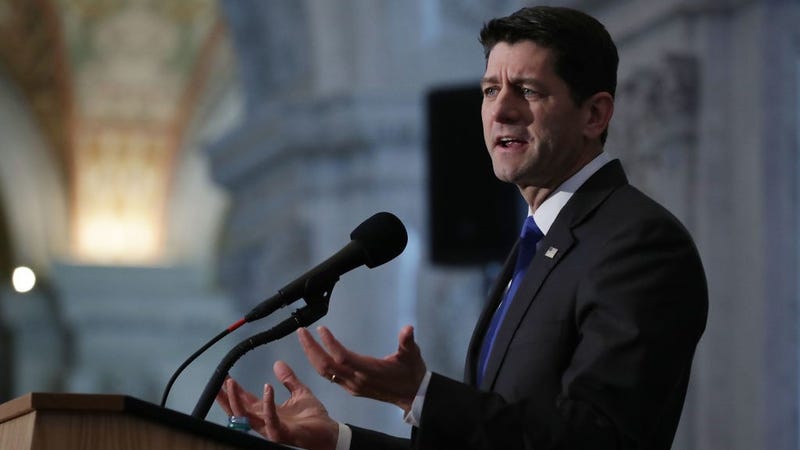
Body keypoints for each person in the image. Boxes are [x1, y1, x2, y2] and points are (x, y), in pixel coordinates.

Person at [216, 6, 708, 450]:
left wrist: (423, 394)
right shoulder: (537, 243)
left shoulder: (637, 243)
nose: (502, 110)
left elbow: (596, 439)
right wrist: (338, 439)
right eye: (491, 90)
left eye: (529, 91)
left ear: (595, 114)